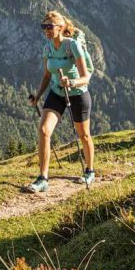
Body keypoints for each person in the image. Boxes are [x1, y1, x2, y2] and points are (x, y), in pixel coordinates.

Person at [26, 10, 95, 192]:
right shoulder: (47, 48)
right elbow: (47, 75)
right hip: (57, 92)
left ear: (60, 27)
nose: (46, 30)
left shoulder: (72, 46)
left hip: (78, 93)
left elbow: (86, 77)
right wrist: (38, 95)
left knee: (84, 135)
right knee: (43, 130)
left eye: (50, 27)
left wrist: (71, 82)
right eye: (44, 27)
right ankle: (43, 178)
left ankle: (89, 171)